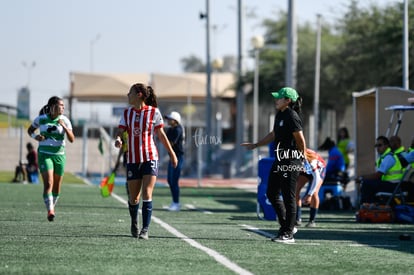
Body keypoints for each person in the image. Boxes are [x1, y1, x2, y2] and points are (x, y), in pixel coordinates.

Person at [242, 87, 309, 243]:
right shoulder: (280, 114)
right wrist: (256, 144)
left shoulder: (292, 116)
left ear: (288, 100)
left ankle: (288, 233)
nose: (276, 100)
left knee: (288, 197)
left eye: (279, 98)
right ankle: (287, 224)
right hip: (280, 159)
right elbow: (274, 134)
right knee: (271, 193)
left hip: (291, 160)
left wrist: (302, 156)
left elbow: (300, 139)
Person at [114, 83, 177, 239]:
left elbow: (161, 135)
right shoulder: (126, 113)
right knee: (133, 198)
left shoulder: (154, 112)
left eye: (130, 92)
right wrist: (118, 140)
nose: (127, 95)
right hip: (133, 158)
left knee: (147, 193)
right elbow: (121, 132)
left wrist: (172, 154)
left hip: (150, 157)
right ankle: (134, 221)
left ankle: (145, 229)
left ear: (139, 94)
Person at [27, 96, 75, 221]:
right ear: (53, 106)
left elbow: (72, 139)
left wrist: (64, 126)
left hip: (59, 156)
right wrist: (35, 137)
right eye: (61, 105)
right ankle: (50, 210)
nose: (63, 108)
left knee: (57, 186)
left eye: (64, 106)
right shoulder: (41, 119)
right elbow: (30, 130)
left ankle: (51, 205)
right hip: (44, 154)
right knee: (49, 183)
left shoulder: (65, 120)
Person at [357, 136, 405, 204]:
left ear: (386, 146)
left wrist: (362, 177)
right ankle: (372, 206)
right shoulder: (383, 157)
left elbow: (378, 175)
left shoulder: (389, 157)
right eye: (376, 146)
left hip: (393, 185)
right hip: (390, 184)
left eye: (380, 145)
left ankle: (365, 207)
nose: (377, 148)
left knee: (366, 184)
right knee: (369, 183)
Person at [295, 149, 326, 228]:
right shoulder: (290, 155)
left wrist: (309, 194)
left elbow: (317, 178)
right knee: (295, 190)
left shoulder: (311, 161)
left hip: (318, 170)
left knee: (315, 193)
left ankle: (312, 220)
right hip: (306, 169)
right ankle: (297, 219)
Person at [164, 111, 185, 211]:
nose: (168, 120)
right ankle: (174, 201)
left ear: (175, 120)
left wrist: (162, 137)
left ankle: (176, 203)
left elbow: (170, 143)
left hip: (178, 157)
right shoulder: (170, 130)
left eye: (170, 119)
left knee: (174, 181)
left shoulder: (178, 129)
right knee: (170, 180)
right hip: (172, 157)